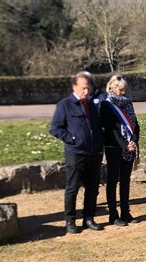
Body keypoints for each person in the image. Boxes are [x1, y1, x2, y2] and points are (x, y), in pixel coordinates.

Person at [50, 71, 104, 234]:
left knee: (92, 188)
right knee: (72, 188)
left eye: (89, 89)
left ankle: (89, 218)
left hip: (94, 153)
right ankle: (70, 221)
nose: (86, 92)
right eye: (83, 88)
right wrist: (73, 138)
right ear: (74, 87)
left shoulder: (92, 105)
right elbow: (55, 128)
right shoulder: (64, 104)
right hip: (76, 152)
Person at [100, 75, 140, 226]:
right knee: (112, 181)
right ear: (112, 88)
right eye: (121, 90)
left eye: (125, 90)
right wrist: (124, 144)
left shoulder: (128, 103)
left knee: (125, 181)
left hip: (129, 147)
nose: (123, 93)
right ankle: (113, 214)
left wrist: (134, 140)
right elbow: (111, 129)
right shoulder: (107, 104)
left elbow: (135, 124)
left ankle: (125, 212)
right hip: (114, 147)